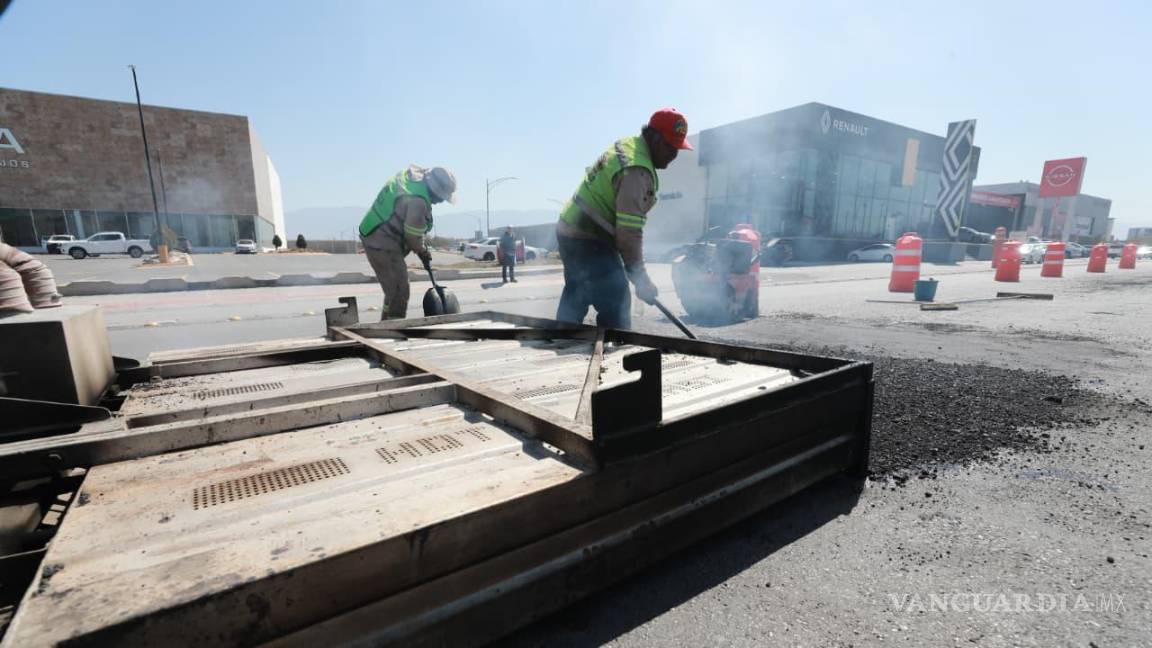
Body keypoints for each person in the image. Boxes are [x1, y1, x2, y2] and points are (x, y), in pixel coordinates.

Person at [554, 108, 692, 328]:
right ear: (654, 138)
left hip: (571, 228)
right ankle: (615, 350)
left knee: (578, 287)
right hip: (588, 235)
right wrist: (641, 278)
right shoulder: (637, 171)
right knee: (616, 298)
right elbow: (629, 234)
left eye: (677, 148)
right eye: (669, 146)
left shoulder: (630, 145)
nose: (674, 154)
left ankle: (562, 334)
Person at [358, 165, 457, 320]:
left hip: (374, 232)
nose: (440, 201)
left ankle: (386, 324)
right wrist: (424, 252)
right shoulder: (418, 202)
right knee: (400, 291)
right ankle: (393, 331)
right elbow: (413, 238)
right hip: (382, 243)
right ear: (434, 190)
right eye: (441, 197)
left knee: (393, 289)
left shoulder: (411, 176)